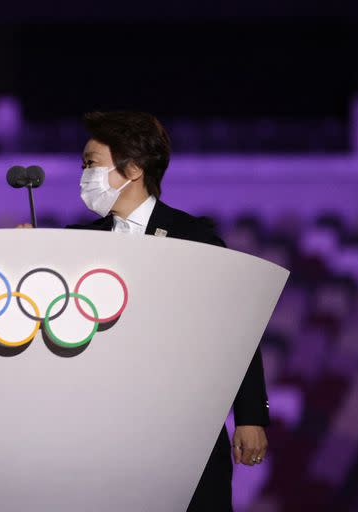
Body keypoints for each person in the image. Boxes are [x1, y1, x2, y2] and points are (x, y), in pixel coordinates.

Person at [70, 111, 270, 511]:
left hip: (185, 425)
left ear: (134, 167)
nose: (84, 174)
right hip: (101, 430)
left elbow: (234, 330)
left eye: (92, 163)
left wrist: (250, 416)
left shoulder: (193, 237)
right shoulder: (76, 243)